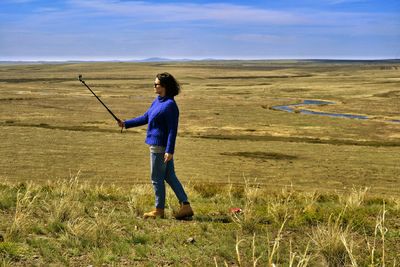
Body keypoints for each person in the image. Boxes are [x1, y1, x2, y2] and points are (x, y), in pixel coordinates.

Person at [118, 72, 194, 220]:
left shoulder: (170, 105)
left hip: (160, 147)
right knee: (170, 176)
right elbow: (145, 117)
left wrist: (169, 150)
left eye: (156, 84)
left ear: (164, 86)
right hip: (159, 147)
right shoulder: (157, 101)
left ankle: (159, 210)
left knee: (156, 178)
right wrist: (126, 124)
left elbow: (173, 130)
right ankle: (185, 206)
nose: (154, 86)